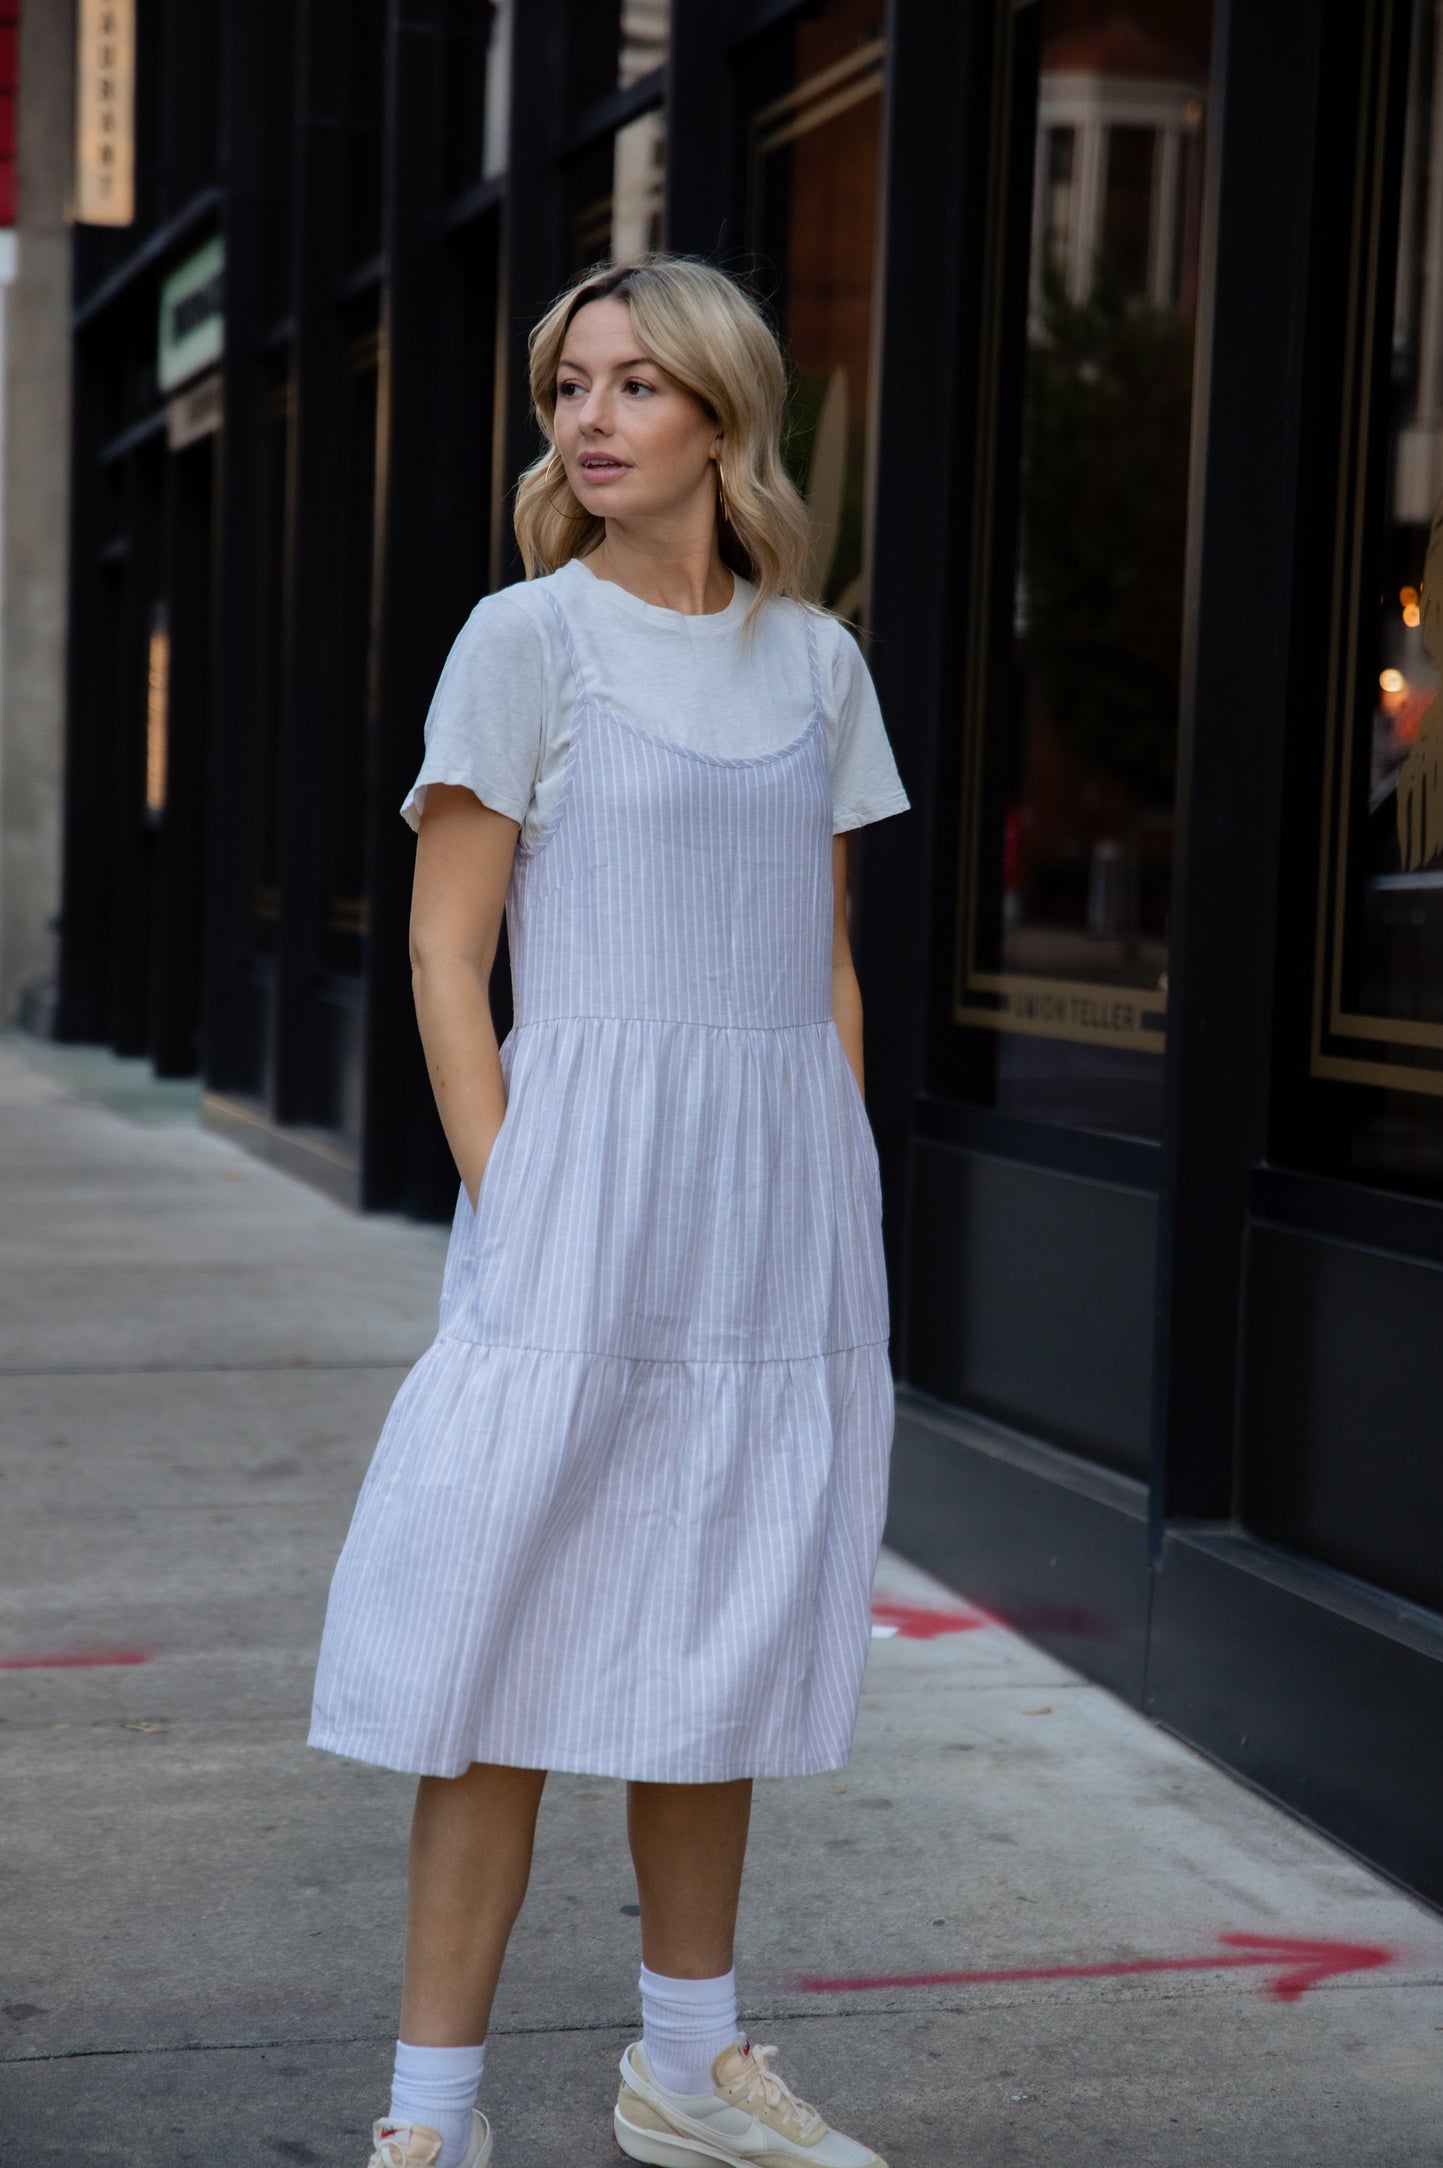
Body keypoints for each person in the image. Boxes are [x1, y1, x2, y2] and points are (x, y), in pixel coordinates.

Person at [308, 251, 911, 2168]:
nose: (589, 416)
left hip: (773, 1214)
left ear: (723, 417)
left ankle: (685, 2066)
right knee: (494, 1655)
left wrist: (840, 1179)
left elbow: (821, 962)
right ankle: (430, 2120)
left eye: (637, 384)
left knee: (711, 1648)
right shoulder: (525, 639)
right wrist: (520, 1203)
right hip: (579, 1200)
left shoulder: (815, 661)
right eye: (571, 382)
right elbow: (442, 958)